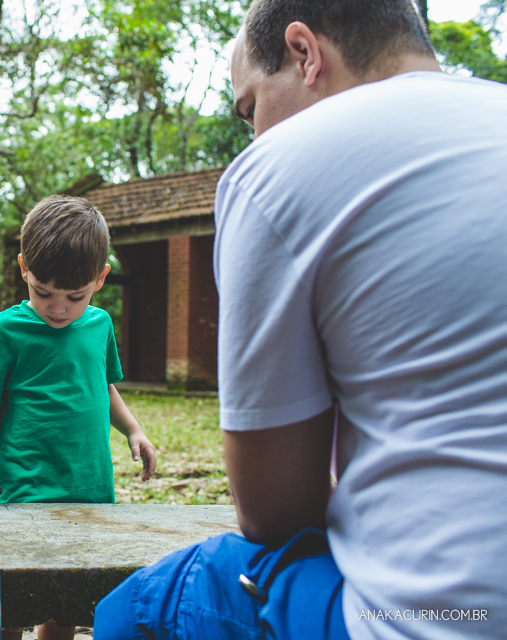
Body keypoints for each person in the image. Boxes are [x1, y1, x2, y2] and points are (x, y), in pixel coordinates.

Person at [94, 0, 507, 638]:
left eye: (251, 108)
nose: (255, 135)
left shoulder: (276, 169)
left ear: (304, 53)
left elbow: (277, 515)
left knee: (141, 606)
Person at [0, 195, 157, 640]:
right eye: (43, 292)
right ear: (23, 269)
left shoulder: (100, 326)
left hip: (86, 485)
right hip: (24, 486)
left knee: (63, 602)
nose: (58, 308)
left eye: (75, 296)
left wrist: (134, 429)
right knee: (13, 599)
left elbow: (102, 387)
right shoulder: (7, 329)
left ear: (100, 278)